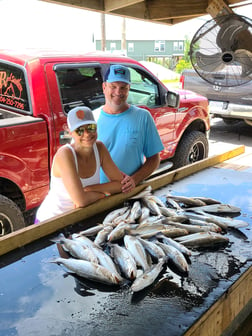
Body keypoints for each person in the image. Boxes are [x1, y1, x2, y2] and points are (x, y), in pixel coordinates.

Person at [35, 106, 123, 222]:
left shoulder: (100, 148)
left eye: (91, 127)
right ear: (71, 133)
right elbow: (81, 201)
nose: (87, 134)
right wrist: (104, 193)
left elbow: (120, 184)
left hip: (78, 217)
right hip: (51, 220)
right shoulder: (65, 154)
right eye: (79, 130)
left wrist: (90, 189)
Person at [97, 64, 164, 193]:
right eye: (113, 86)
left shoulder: (143, 117)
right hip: (98, 197)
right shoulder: (92, 119)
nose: (118, 92)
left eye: (123, 87)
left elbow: (154, 158)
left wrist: (135, 179)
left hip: (130, 194)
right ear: (104, 87)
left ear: (129, 89)